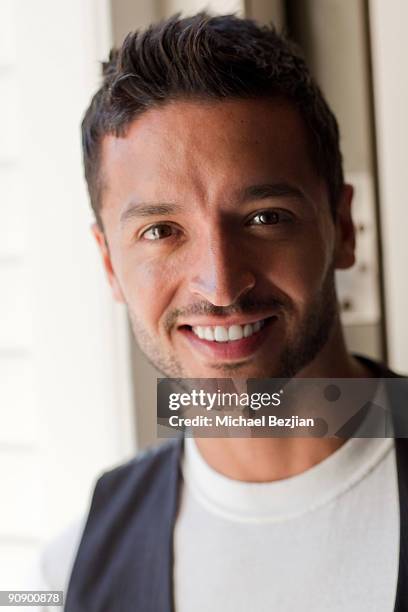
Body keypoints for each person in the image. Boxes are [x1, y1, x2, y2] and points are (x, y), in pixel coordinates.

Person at [34, 12, 408, 612]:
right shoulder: (72, 569)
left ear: (341, 227)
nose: (222, 284)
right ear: (109, 264)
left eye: (265, 218)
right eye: (162, 231)